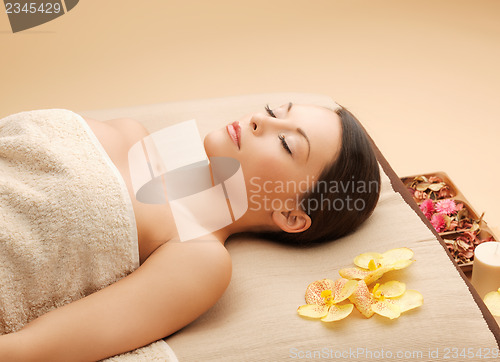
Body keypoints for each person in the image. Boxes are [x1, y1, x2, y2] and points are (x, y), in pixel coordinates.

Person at [0, 102, 380, 361]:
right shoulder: (132, 133)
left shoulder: (199, 256)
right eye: (272, 111)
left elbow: (37, 349)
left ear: (290, 214)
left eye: (286, 143)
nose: (258, 121)